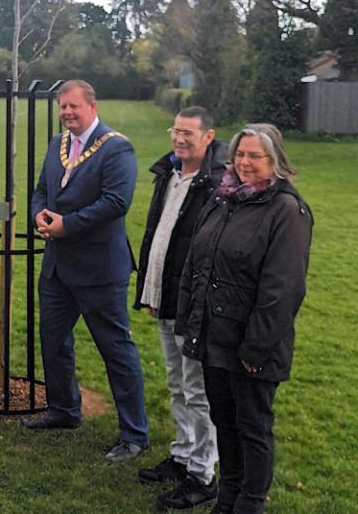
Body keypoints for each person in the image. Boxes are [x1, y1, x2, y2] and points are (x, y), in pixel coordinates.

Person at [176, 124, 313, 514]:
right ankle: (227, 497)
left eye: (255, 155)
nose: (244, 162)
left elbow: (282, 290)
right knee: (225, 421)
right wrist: (190, 322)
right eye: (240, 154)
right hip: (214, 337)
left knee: (253, 428)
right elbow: (196, 262)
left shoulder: (287, 210)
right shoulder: (224, 198)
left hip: (253, 347)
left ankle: (250, 503)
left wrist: (255, 349)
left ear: (275, 160)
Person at [25, 79, 149, 462]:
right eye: (62, 106)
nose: (67, 112)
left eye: (73, 106)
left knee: (116, 349)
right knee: (53, 342)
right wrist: (39, 215)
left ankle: (134, 434)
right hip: (58, 267)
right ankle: (64, 410)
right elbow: (41, 190)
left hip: (99, 270)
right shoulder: (57, 143)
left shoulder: (116, 148)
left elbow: (116, 202)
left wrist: (67, 225)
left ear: (92, 107)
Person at [134, 106, 227, 510]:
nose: (179, 138)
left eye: (189, 133)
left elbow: (209, 252)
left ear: (208, 137)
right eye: (176, 131)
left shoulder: (216, 185)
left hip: (194, 305)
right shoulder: (169, 174)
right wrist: (151, 292)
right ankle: (183, 454)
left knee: (197, 390)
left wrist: (195, 304)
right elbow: (158, 235)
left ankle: (203, 475)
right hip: (166, 297)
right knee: (177, 385)